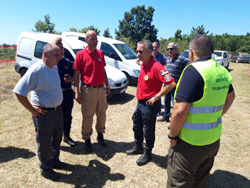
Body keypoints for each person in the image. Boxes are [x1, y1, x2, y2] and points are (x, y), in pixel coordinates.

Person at [166, 35, 235, 187]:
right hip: (212, 141)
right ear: (212, 51)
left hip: (190, 143)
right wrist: (215, 116)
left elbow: (179, 111)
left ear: (191, 51)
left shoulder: (193, 71)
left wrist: (172, 135)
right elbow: (231, 97)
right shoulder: (222, 71)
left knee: (179, 182)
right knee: (201, 181)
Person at [13, 44, 67, 181]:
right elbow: (19, 91)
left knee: (56, 139)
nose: (59, 57)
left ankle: (55, 161)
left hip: (57, 111)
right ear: (45, 55)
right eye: (56, 54)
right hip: (44, 113)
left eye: (60, 54)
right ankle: (46, 169)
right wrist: (32, 109)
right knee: (45, 143)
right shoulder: (36, 70)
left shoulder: (53, 66)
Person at [126, 40, 176, 166]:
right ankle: (138, 147)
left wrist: (157, 96)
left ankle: (148, 153)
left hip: (150, 104)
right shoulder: (144, 63)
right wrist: (139, 61)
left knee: (148, 130)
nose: (138, 54)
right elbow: (140, 61)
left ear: (150, 51)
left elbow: (171, 83)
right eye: (137, 51)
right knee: (136, 125)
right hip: (140, 102)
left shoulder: (157, 67)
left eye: (140, 51)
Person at [74, 30, 110, 153]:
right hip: (88, 90)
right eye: (92, 39)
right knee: (88, 115)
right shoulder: (80, 55)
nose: (95, 41)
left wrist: (107, 85)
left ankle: (100, 134)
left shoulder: (100, 53)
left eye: (96, 39)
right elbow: (77, 74)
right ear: (86, 40)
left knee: (102, 113)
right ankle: (87, 138)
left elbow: (103, 70)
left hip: (101, 89)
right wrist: (77, 92)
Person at [52, 37, 76, 147]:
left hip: (67, 93)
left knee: (67, 116)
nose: (61, 50)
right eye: (59, 48)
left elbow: (74, 77)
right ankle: (55, 139)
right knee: (55, 118)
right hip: (56, 94)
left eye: (62, 48)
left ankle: (66, 137)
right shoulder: (52, 62)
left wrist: (70, 79)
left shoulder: (67, 62)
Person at [157, 42, 189, 123]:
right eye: (168, 49)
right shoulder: (167, 59)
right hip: (167, 84)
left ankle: (175, 121)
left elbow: (189, 68)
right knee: (166, 100)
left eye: (171, 49)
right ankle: (166, 117)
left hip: (176, 85)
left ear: (176, 49)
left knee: (175, 103)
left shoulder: (182, 59)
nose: (169, 51)